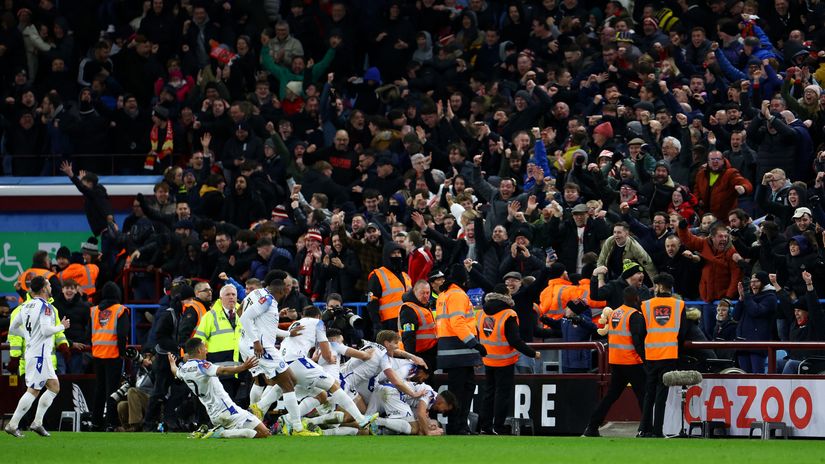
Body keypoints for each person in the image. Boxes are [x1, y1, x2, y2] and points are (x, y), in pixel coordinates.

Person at [239, 273, 318, 436]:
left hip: (251, 344)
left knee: (292, 380)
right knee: (287, 383)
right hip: (261, 347)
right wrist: (255, 341)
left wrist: (288, 333)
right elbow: (245, 317)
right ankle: (297, 428)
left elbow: (242, 312)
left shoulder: (256, 293)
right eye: (286, 289)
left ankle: (259, 407)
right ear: (281, 291)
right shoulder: (268, 301)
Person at [5, 276, 71, 437]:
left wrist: (28, 336)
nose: (50, 286)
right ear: (43, 289)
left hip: (36, 353)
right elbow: (45, 331)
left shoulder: (25, 306)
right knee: (33, 390)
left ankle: (37, 422)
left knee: (54, 386)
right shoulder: (46, 307)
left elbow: (13, 328)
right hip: (40, 355)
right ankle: (12, 425)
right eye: (48, 284)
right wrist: (62, 326)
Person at [169, 338, 270, 439]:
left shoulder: (184, 369)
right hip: (228, 411)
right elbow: (223, 370)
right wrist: (243, 367)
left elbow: (175, 372)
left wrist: (172, 363)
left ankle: (221, 430)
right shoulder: (202, 366)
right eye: (204, 348)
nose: (206, 351)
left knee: (259, 432)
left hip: (213, 415)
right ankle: (219, 433)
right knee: (264, 433)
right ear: (199, 351)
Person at [476, 285, 540, 435]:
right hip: (504, 360)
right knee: (502, 396)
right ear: (505, 295)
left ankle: (485, 426)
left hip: (488, 359)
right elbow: (515, 341)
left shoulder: (481, 312)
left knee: (488, 394)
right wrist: (532, 353)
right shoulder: (508, 314)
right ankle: (498, 426)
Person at [584, 286, 646, 437]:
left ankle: (592, 426)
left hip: (616, 361)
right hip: (631, 361)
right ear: (637, 298)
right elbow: (637, 340)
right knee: (644, 395)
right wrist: (646, 360)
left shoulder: (615, 313)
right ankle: (646, 429)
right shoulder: (634, 315)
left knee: (611, 396)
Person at [638, 273, 689, 438]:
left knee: (649, 394)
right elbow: (682, 333)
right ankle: (657, 430)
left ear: (659, 286)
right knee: (661, 395)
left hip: (651, 354)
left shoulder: (645, 305)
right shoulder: (679, 305)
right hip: (669, 354)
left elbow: (640, 331)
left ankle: (643, 429)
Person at [436, 263, 483, 435]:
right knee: (460, 391)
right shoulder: (457, 294)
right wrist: (474, 344)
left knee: (462, 389)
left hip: (451, 349)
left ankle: (460, 425)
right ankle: (457, 426)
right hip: (460, 348)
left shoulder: (444, 294)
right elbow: (457, 322)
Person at [89, 282, 130, 431]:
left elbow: (89, 334)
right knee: (112, 391)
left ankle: (95, 422)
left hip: (97, 354)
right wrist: (122, 353)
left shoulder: (94, 311)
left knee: (99, 389)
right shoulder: (120, 310)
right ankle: (111, 423)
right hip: (113, 355)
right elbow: (122, 334)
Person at [194, 284, 241, 399]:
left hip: (241, 367)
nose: (231, 297)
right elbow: (198, 340)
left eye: (233, 294)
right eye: (228, 295)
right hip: (220, 368)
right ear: (221, 298)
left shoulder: (243, 312)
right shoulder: (210, 316)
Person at [365, 242, 412, 338]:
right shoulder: (377, 275)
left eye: (399, 253)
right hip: (388, 322)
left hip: (407, 320)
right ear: (387, 255)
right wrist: (377, 323)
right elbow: (372, 302)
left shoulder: (405, 276)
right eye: (393, 253)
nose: (397, 256)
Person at [399, 280, 438, 373]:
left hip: (428, 352)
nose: (425, 296)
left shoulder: (424, 306)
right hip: (418, 354)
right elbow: (408, 335)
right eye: (422, 293)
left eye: (428, 293)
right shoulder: (409, 309)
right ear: (415, 292)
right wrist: (411, 358)